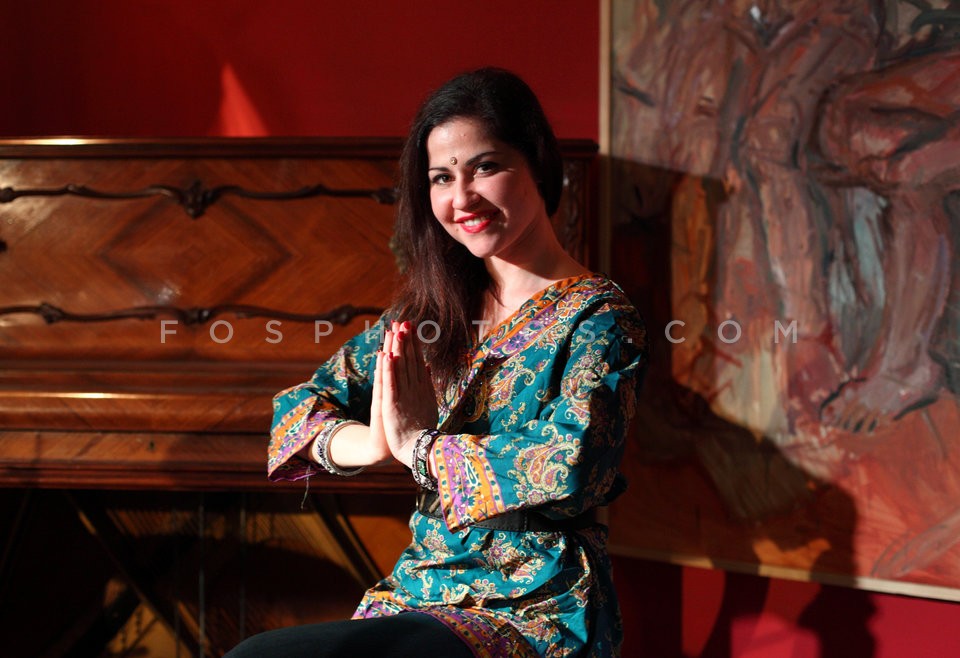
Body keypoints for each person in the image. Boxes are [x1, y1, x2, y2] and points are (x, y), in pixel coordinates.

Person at [225, 67, 647, 658]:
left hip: (535, 602)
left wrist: (419, 447)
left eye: (485, 167)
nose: (461, 198)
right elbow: (299, 410)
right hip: (422, 587)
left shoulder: (599, 315)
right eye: (442, 178)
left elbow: (570, 464)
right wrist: (377, 443)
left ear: (537, 163)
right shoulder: (431, 312)